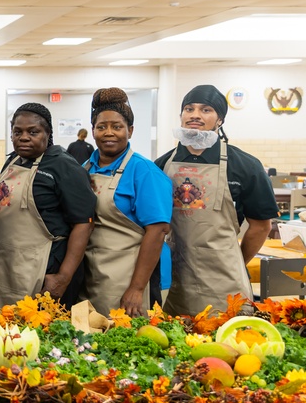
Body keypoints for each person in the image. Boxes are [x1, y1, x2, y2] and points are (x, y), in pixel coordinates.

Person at [154, 84, 278, 316]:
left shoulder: (245, 166)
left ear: (220, 119)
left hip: (225, 284)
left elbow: (261, 226)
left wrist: (235, 261)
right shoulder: (160, 166)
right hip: (175, 280)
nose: (195, 115)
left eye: (206, 110)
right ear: (181, 116)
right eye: (189, 109)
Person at [0, 103, 96, 307]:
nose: (24, 137)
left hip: (46, 270)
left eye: (33, 132)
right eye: (17, 132)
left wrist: (62, 278)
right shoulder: (13, 161)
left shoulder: (63, 166)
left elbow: (84, 224)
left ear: (48, 133)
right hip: (8, 265)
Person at [80, 89, 171, 316]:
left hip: (129, 279)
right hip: (91, 275)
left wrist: (136, 288)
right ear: (93, 131)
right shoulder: (84, 169)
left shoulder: (144, 171)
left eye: (117, 127)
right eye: (101, 127)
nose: (109, 133)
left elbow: (158, 231)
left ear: (130, 130)